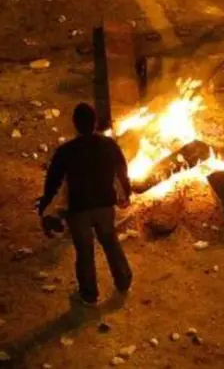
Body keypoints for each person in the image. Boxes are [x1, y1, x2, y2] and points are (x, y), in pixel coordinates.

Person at [37, 103, 133, 306]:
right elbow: (122, 170)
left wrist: (44, 204)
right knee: (111, 242)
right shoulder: (109, 145)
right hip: (105, 205)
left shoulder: (66, 151)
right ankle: (123, 281)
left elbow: (53, 181)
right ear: (95, 122)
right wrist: (126, 193)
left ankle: (89, 294)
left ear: (75, 124)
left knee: (85, 251)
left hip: (79, 209)